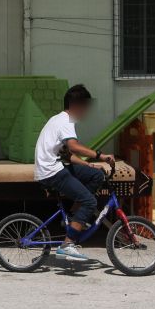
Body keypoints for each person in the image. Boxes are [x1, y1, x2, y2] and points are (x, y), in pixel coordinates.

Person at [33, 84, 115, 262]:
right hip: (51, 171)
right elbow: (73, 146)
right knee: (89, 201)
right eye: (85, 106)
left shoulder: (60, 119)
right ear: (76, 105)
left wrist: (91, 166)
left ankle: (72, 217)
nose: (86, 111)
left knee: (96, 175)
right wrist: (100, 155)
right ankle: (67, 244)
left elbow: (69, 155)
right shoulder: (65, 121)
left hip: (54, 165)